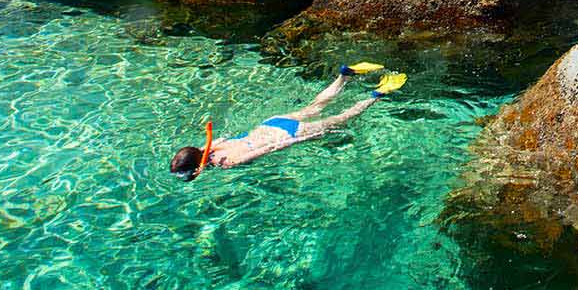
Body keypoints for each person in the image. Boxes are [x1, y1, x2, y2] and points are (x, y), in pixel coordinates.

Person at [170, 64, 405, 181]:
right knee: (316, 106)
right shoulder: (214, 145)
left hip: (285, 135)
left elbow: (269, 148)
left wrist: (302, 138)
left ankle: (378, 94)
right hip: (272, 123)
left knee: (343, 118)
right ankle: (344, 75)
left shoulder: (225, 161)